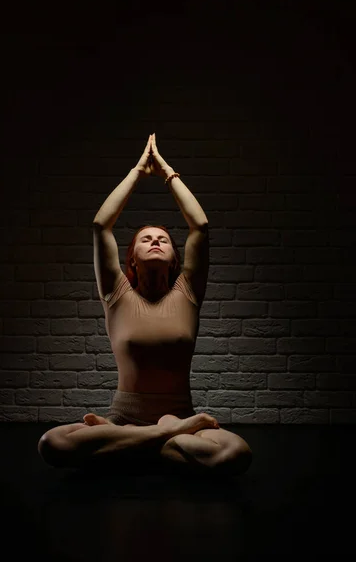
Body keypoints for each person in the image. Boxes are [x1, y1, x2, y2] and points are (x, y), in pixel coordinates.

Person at [38, 134, 252, 476]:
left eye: (163, 239)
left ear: (173, 260)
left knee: (236, 453)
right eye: (146, 239)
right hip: (127, 418)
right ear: (132, 261)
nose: (155, 242)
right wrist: (138, 171)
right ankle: (162, 438)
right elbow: (100, 225)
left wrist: (166, 172)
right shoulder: (116, 294)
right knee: (52, 443)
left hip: (177, 415)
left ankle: (127, 444)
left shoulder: (188, 292)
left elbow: (200, 226)